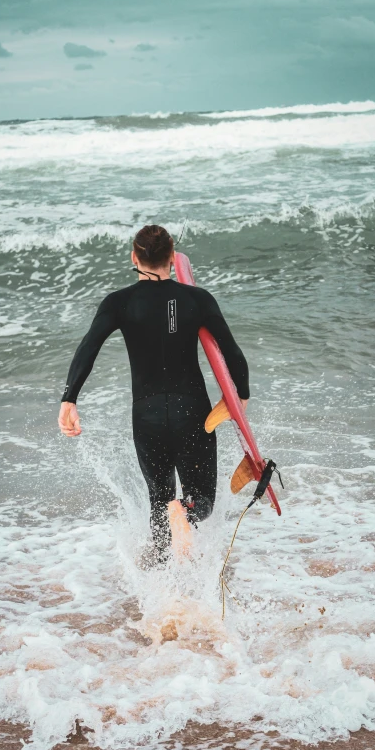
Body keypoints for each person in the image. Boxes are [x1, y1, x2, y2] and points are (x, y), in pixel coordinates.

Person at [58, 225, 249, 564]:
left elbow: (88, 347)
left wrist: (69, 399)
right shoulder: (197, 299)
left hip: (146, 416)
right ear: (173, 258)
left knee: (158, 501)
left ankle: (160, 590)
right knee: (200, 500)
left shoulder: (119, 302)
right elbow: (232, 354)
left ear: (135, 258)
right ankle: (184, 513)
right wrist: (240, 398)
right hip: (192, 412)